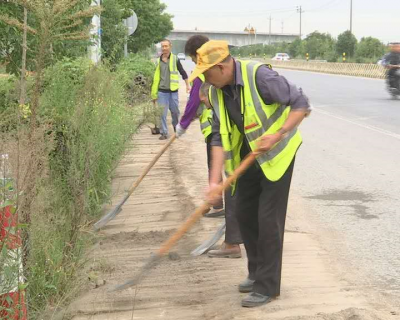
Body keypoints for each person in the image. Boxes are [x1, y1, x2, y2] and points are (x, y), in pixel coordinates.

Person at [188, 40, 311, 308]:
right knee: (244, 214)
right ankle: (256, 273)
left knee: (268, 221)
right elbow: (219, 137)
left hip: (276, 157)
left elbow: (301, 104)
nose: (205, 81)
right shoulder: (217, 92)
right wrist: (213, 182)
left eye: (207, 74)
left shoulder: (261, 77)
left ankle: (268, 287)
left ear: (220, 67)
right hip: (247, 160)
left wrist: (277, 134)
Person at [175, 35, 242, 258]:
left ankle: (233, 243)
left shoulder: (213, 72)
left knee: (236, 189)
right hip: (226, 138)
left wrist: (183, 123)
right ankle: (235, 239)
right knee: (232, 188)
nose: (197, 67)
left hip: (238, 142)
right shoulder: (216, 74)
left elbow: (196, 98)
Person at [151, 39, 190, 140]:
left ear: (170, 47)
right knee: (162, 113)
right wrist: (154, 94)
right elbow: (155, 78)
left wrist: (187, 85)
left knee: (175, 111)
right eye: (163, 46)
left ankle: (176, 128)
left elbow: (183, 72)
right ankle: (164, 132)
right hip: (162, 91)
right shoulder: (158, 61)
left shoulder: (175, 59)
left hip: (173, 92)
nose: (164, 48)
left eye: (166, 46)